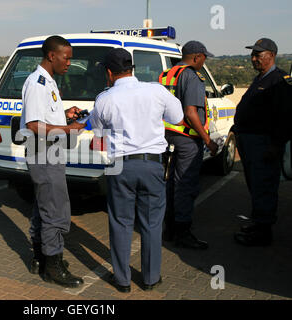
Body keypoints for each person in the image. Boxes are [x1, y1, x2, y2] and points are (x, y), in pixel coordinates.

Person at [90, 48, 184, 293]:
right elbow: (178, 116)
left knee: (120, 222)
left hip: (120, 166)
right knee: (152, 223)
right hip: (152, 163)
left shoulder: (104, 99)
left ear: (110, 73)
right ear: (132, 68)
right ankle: (151, 279)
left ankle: (122, 281)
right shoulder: (156, 90)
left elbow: (98, 133)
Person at [20, 35, 86, 287]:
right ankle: (53, 267)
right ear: (51, 56)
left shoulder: (47, 81)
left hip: (48, 151)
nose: (69, 63)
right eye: (66, 58)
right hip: (44, 152)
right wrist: (71, 129)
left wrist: (65, 115)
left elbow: (46, 116)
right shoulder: (38, 83)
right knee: (56, 210)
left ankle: (42, 257)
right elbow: (34, 125)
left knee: (43, 207)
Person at [161, 41, 218, 250]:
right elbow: (191, 112)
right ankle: (183, 232)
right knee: (185, 184)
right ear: (196, 57)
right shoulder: (192, 76)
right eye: (204, 57)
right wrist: (208, 140)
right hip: (187, 139)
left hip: (169, 136)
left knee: (171, 184)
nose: (204, 61)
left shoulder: (168, 74)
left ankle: (169, 228)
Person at [233, 38, 289, 246]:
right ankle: (258, 222)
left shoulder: (279, 80)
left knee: (264, 185)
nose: (253, 58)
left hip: (264, 143)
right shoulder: (261, 78)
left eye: (258, 54)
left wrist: (275, 145)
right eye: (252, 54)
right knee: (255, 185)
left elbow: (284, 117)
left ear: (271, 56)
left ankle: (263, 232)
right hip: (249, 142)